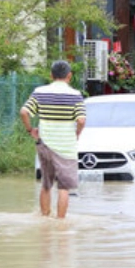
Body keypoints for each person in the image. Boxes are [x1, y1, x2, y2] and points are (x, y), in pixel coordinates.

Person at [20, 60, 86, 218]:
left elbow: (24, 112)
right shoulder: (75, 96)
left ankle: (44, 219)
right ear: (69, 76)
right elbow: (81, 120)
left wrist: (30, 130)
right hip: (66, 148)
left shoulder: (40, 92)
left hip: (45, 145)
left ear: (51, 75)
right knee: (64, 188)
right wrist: (77, 133)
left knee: (46, 185)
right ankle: (61, 223)